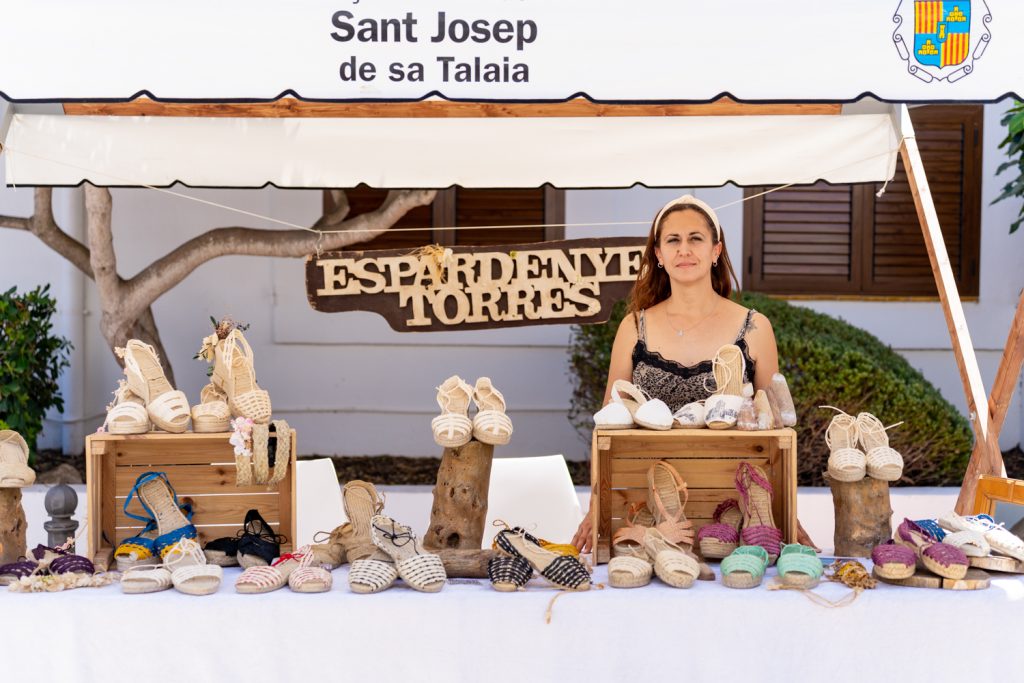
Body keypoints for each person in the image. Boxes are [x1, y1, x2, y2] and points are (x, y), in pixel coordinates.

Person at [570, 194, 814, 552]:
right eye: (673, 240)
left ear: (716, 250)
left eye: (695, 239)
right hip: (647, 519)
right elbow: (607, 427)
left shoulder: (755, 328)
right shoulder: (633, 328)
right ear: (659, 254)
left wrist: (784, 511)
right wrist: (597, 504)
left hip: (736, 518)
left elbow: (776, 433)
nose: (684, 250)